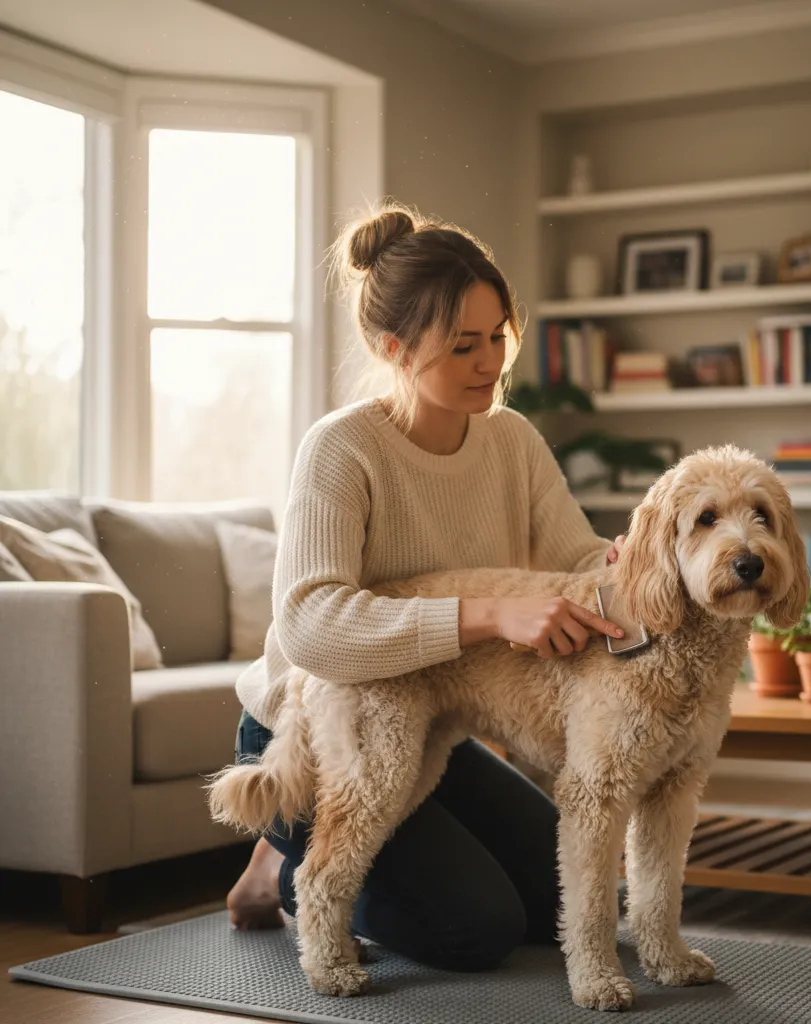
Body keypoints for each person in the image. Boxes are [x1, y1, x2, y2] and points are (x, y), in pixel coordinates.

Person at [225, 203, 627, 972]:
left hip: (433, 731)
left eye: (499, 337)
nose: (490, 363)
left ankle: (311, 852)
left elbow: (578, 559)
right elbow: (309, 624)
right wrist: (486, 613)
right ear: (394, 347)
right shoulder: (341, 448)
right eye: (463, 345)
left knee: (575, 901)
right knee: (472, 932)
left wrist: (647, 559)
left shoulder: (512, 440)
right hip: (314, 734)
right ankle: (287, 857)